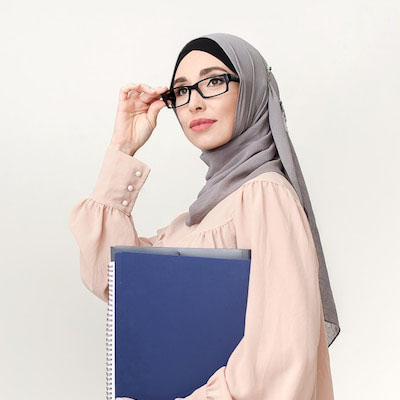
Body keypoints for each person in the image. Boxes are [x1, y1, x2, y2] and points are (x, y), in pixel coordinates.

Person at [69, 32, 341, 399]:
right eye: (182, 91)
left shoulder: (264, 194)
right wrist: (122, 146)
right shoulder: (198, 219)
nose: (194, 103)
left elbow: (277, 358)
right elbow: (115, 283)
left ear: (252, 90)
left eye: (213, 82)